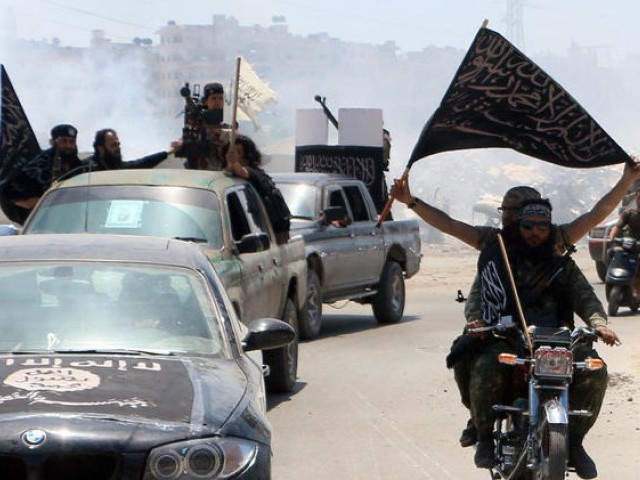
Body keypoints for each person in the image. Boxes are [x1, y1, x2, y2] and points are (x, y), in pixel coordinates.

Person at [459, 199, 619, 478]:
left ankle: (575, 442)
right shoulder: (501, 261)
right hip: (508, 337)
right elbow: (480, 297)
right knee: (485, 366)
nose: (535, 233)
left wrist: (599, 324)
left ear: (550, 229)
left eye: (542, 227)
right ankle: (484, 437)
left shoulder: (562, 266)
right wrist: (478, 321)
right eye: (528, 226)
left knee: (595, 369)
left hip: (558, 341)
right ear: (519, 227)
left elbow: (586, 298)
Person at [225, 134, 291, 244]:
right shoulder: (257, 172)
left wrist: (233, 161)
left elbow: (241, 172)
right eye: (234, 152)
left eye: (239, 152)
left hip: (275, 229)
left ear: (247, 155)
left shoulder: (253, 172)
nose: (236, 155)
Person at [4, 124, 83, 212]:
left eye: (71, 142)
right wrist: (41, 203)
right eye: (63, 141)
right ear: (53, 142)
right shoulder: (38, 165)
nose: (68, 146)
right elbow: (10, 194)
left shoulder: (79, 166)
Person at [82, 129, 181, 172]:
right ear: (101, 149)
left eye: (118, 144)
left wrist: (169, 152)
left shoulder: (117, 167)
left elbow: (142, 163)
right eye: (113, 145)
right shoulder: (86, 168)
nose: (118, 148)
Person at [607, 189, 640, 294]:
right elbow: (617, 226)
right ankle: (612, 278)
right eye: (639, 198)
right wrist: (611, 237)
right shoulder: (629, 213)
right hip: (631, 245)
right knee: (612, 252)